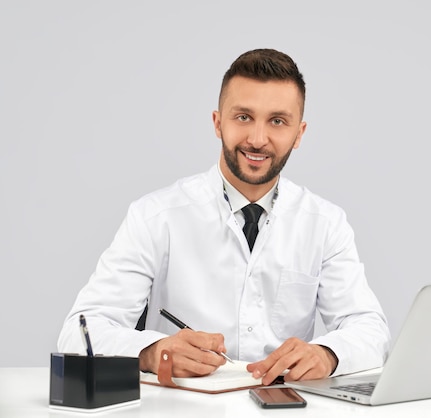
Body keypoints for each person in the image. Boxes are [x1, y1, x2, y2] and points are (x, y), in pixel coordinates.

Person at [58, 48, 390, 385]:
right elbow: (78, 332)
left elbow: (371, 330)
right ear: (218, 123)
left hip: (285, 408)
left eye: (277, 121)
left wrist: (327, 354)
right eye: (243, 117)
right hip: (182, 408)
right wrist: (152, 351)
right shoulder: (155, 216)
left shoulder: (325, 223)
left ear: (299, 133)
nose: (258, 139)